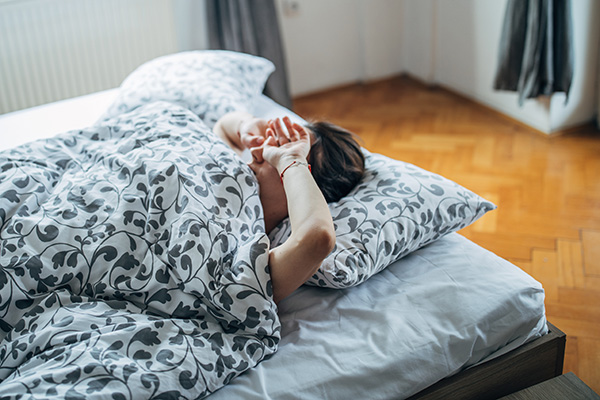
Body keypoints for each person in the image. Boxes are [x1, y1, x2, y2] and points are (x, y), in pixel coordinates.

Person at [214, 112, 365, 303]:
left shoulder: (248, 260)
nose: (258, 151)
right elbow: (223, 128)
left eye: (276, 150)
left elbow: (317, 238)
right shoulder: (230, 175)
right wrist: (248, 126)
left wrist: (291, 158)